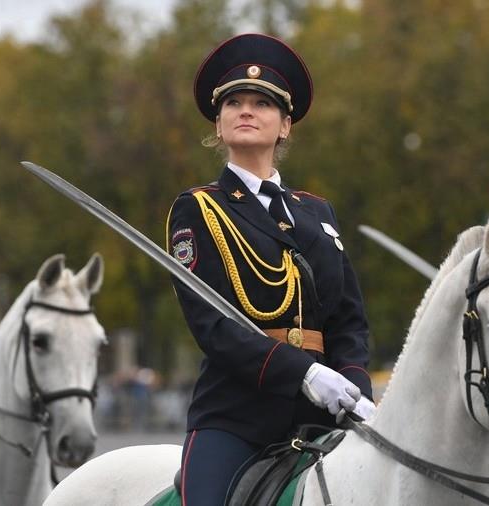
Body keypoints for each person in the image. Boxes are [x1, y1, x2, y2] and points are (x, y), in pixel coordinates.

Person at [166, 33, 375, 505]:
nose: (246, 111)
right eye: (234, 103)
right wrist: (305, 373)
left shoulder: (317, 212)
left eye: (262, 104)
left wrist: (354, 385)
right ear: (218, 124)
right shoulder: (200, 208)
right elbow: (213, 325)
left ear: (285, 126)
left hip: (326, 418)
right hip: (236, 418)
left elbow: (348, 319)